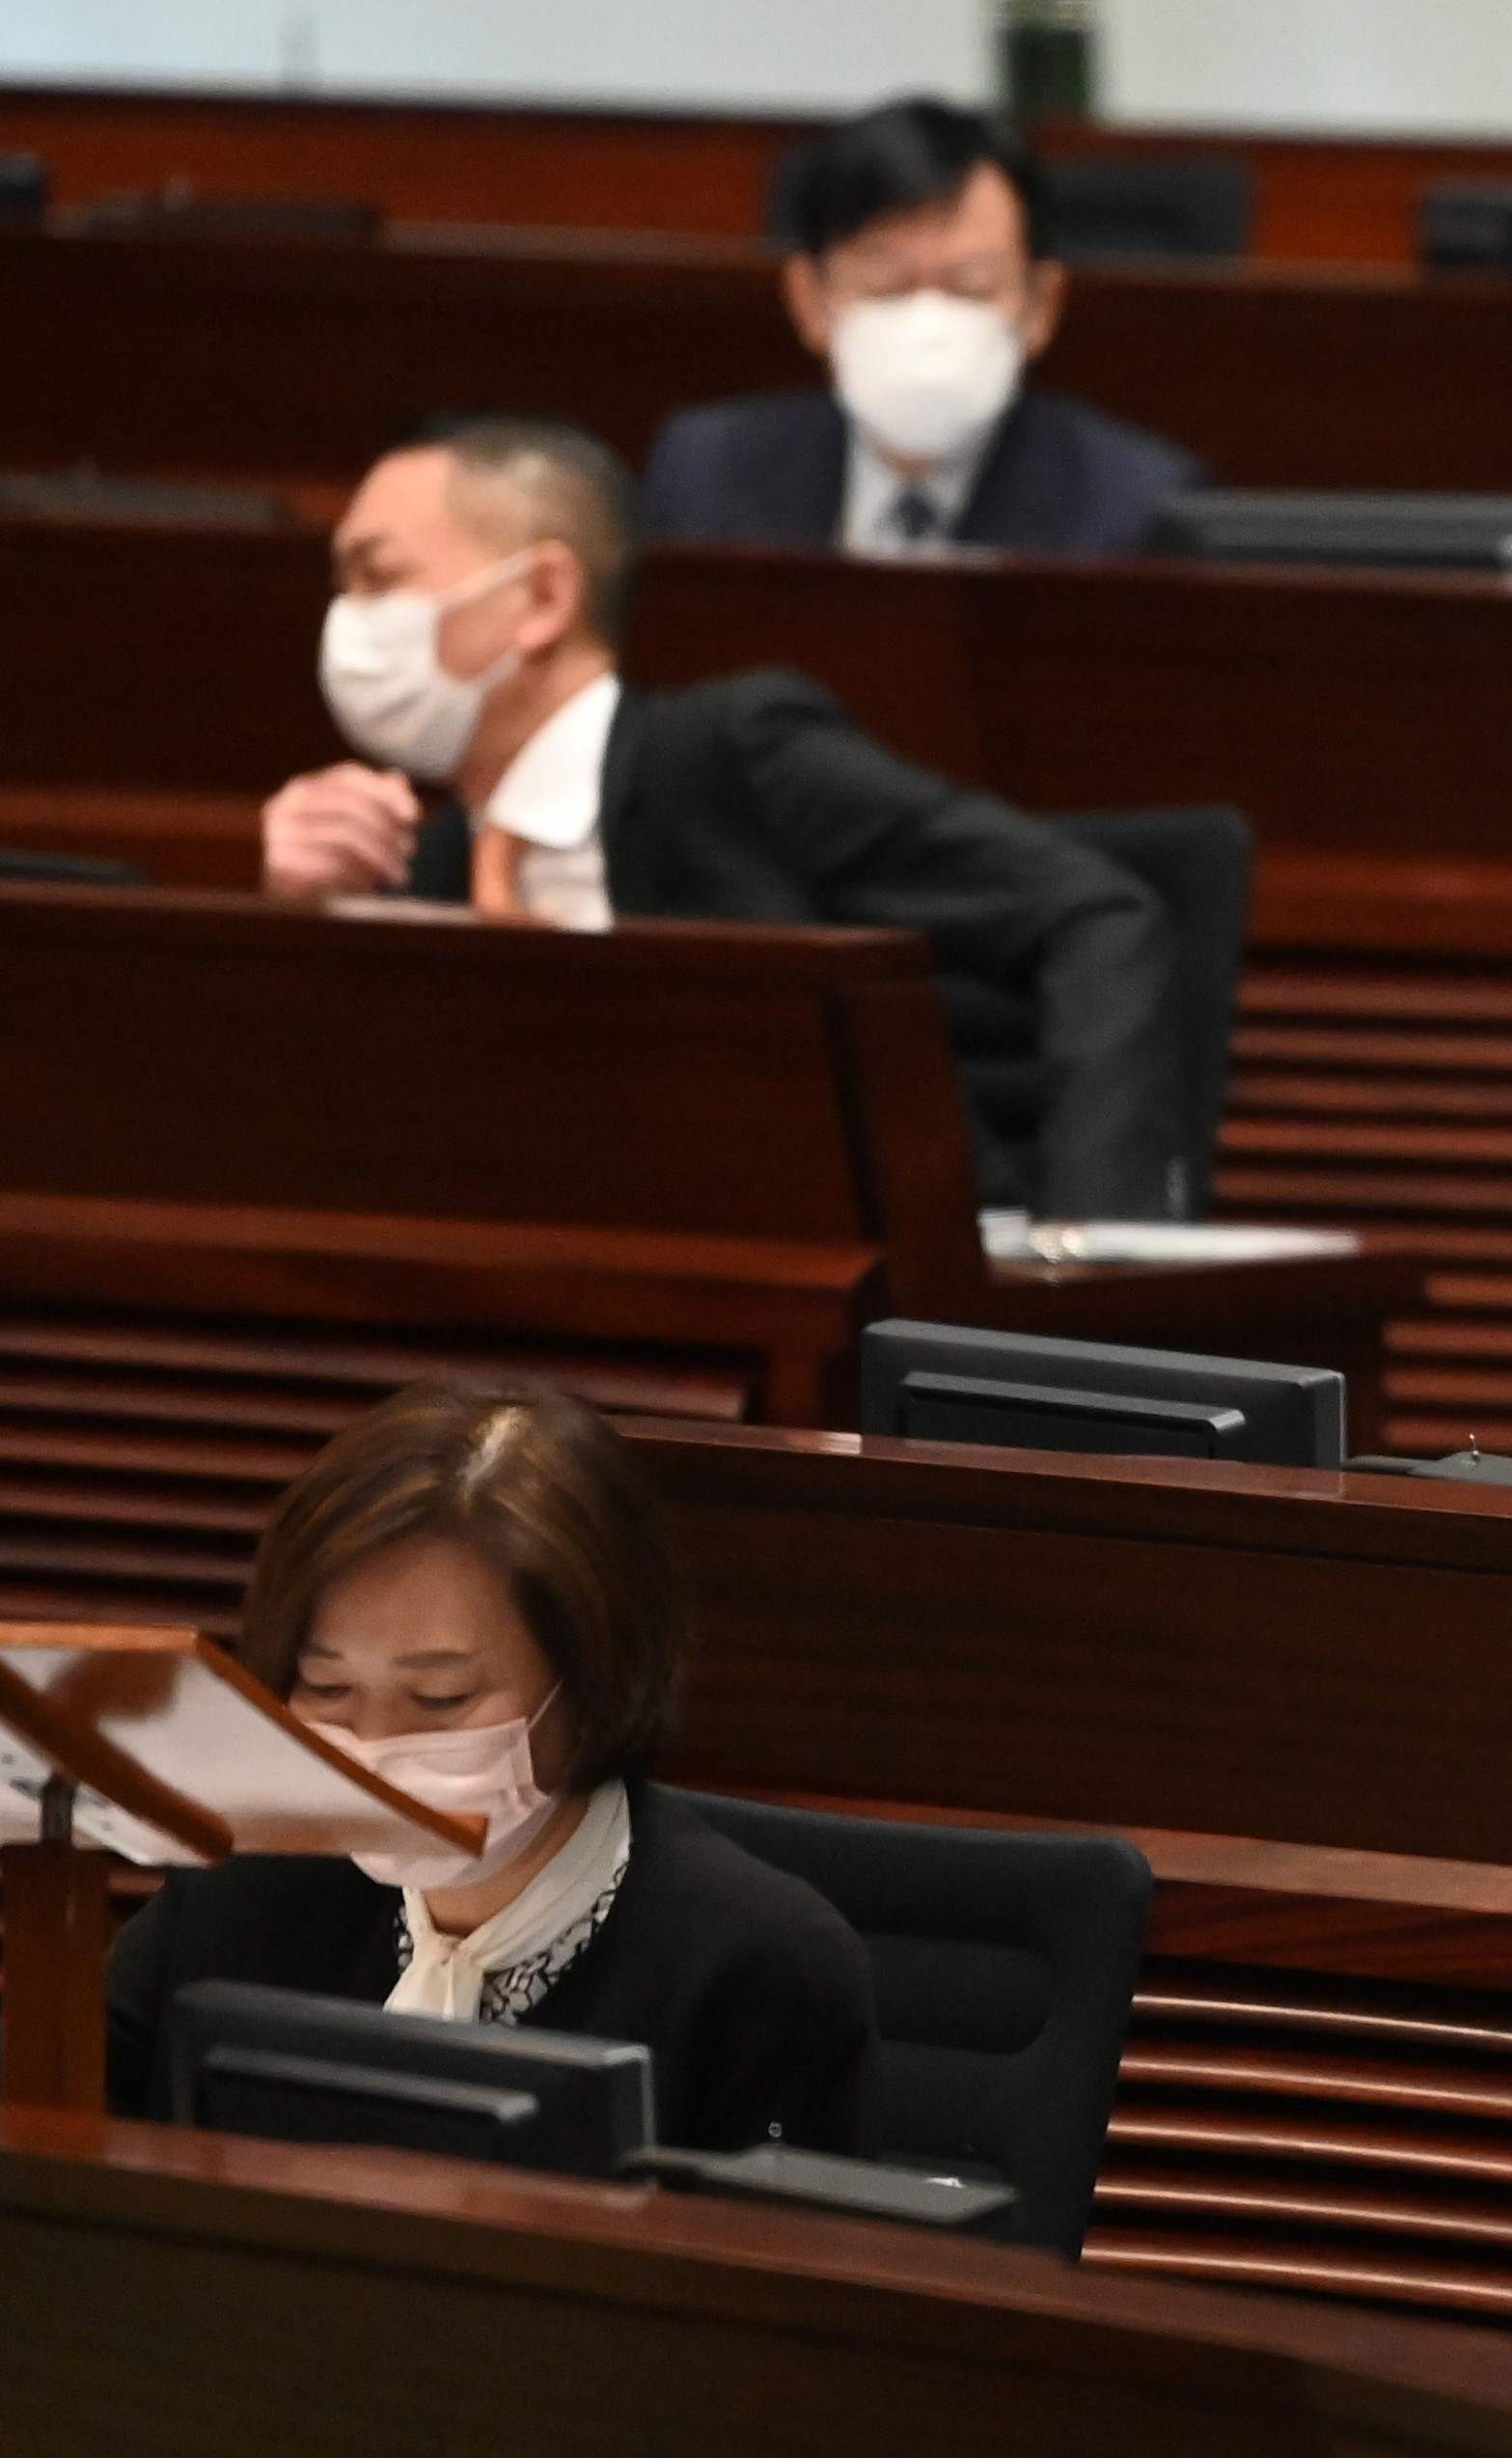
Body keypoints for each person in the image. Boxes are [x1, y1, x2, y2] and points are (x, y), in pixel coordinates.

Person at [253, 419, 1184, 1221]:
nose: (350, 622)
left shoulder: (731, 757)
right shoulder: (420, 859)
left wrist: (1091, 1259)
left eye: (377, 579)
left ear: (540, 597)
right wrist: (302, 927)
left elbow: (1095, 912)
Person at [108, 1380, 874, 2156]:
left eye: (440, 1697)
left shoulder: (759, 1974)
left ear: (592, 1687)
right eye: (329, 1687)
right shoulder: (238, 1890)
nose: (374, 1744)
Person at [640, 97, 1203, 560]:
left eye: (971, 286)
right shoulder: (706, 473)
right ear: (811, 299)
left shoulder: (1135, 506)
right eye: (886, 284)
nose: (928, 319)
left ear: (1039, 305)